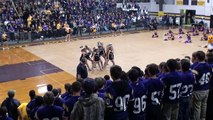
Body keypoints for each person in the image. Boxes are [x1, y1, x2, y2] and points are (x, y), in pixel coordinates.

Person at [192, 51, 212, 120]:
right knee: (204, 105)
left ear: (197, 58)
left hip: (199, 89)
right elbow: (210, 77)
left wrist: (190, 70)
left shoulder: (197, 67)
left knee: (197, 107)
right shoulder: (208, 65)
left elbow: (195, 76)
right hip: (207, 88)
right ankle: (203, 118)